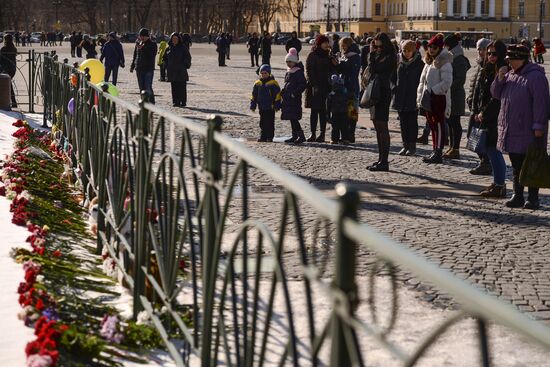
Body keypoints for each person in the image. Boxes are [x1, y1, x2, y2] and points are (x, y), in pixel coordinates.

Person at [491, 44, 549, 210]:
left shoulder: (536, 77)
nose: (508, 62)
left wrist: (539, 126)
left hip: (529, 130)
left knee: (531, 164)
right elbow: (496, 94)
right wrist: (499, 78)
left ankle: (533, 198)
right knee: (516, 164)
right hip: (512, 129)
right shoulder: (510, 75)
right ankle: (517, 195)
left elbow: (541, 104)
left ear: (520, 59)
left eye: (511, 59)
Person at [475, 40, 508, 198]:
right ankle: (497, 182)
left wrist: (485, 113)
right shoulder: (487, 68)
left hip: (495, 115)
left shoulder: (502, 70)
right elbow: (482, 92)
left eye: (494, 54)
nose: (491, 56)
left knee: (494, 150)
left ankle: (500, 184)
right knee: (489, 149)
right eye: (489, 53)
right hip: (486, 113)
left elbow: (497, 98)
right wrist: (478, 109)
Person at [416, 33, 453, 164]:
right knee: (431, 125)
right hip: (428, 97)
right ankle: (434, 149)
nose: (431, 50)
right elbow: (422, 81)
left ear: (440, 49)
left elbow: (447, 82)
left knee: (439, 124)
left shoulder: (444, 63)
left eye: (434, 48)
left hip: (438, 98)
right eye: (430, 47)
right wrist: (420, 96)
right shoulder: (429, 62)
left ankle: (439, 151)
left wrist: (433, 90)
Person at [365, 33, 397, 171]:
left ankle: (385, 161)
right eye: (375, 46)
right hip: (374, 91)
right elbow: (372, 71)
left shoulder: (390, 57)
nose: (377, 48)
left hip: (383, 92)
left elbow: (379, 70)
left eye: (379, 46)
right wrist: (372, 55)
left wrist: (373, 58)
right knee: (377, 126)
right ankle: (380, 159)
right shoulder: (376, 56)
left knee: (382, 126)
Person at [392, 39, 424, 156]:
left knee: (412, 123)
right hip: (400, 97)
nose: (406, 53)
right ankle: (405, 145)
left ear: (414, 51)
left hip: (413, 97)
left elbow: (422, 81)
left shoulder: (420, 64)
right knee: (403, 123)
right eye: (404, 50)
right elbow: (393, 77)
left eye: (409, 51)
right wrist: (394, 88)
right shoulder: (399, 63)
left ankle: (412, 146)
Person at [467, 38, 493, 175]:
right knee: (472, 136)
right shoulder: (478, 65)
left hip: (482, 110)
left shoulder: (491, 67)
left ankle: (486, 163)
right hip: (474, 107)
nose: (480, 52)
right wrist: (470, 98)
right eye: (478, 49)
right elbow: (473, 86)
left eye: (483, 49)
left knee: (481, 138)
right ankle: (484, 161)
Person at [443, 33, 470, 160]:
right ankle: (452, 147)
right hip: (450, 94)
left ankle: (456, 148)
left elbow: (460, 79)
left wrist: (447, 87)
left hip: (456, 95)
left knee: (455, 123)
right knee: (450, 121)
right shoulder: (451, 56)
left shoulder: (459, 59)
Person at [305, 34, 333, 142]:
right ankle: (312, 134)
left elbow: (332, 70)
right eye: (324, 43)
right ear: (319, 44)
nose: (327, 44)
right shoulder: (312, 55)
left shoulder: (328, 55)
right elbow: (309, 71)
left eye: (327, 42)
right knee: (314, 111)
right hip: (315, 87)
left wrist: (335, 62)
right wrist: (314, 85)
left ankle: (322, 134)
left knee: (323, 112)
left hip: (326, 87)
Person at [337, 37, 361, 143]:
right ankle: (346, 134)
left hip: (351, 88)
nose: (342, 48)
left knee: (352, 113)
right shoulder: (345, 56)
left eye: (344, 45)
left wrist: (342, 64)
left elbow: (353, 73)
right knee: (344, 113)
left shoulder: (355, 57)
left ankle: (351, 134)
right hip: (344, 88)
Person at [281, 48, 307, 144]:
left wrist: (294, 93)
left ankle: (301, 136)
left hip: (294, 98)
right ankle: (294, 135)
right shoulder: (289, 71)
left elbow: (302, 84)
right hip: (288, 98)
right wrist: (283, 91)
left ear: (295, 61)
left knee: (294, 118)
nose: (288, 63)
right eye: (287, 62)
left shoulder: (298, 71)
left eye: (290, 62)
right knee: (291, 118)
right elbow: (287, 83)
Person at [250, 64, 281, 142]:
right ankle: (263, 136)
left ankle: (270, 136)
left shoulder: (273, 83)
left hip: (270, 107)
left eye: (265, 73)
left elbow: (277, 95)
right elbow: (254, 96)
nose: (263, 75)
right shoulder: (257, 83)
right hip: (261, 106)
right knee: (262, 122)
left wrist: (277, 105)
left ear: (269, 73)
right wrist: (253, 105)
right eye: (262, 73)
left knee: (270, 122)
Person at [130, 28, 158, 103]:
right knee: (141, 87)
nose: (142, 38)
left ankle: (151, 103)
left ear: (148, 36)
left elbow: (152, 55)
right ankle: (144, 102)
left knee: (148, 87)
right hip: (139, 68)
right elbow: (135, 56)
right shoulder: (138, 44)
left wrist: (143, 48)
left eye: (144, 36)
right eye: (141, 36)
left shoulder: (153, 44)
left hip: (148, 69)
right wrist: (132, 66)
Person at [164, 32, 192, 108]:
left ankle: (183, 101)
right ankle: (175, 101)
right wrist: (166, 65)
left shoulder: (183, 47)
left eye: (176, 39)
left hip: (181, 70)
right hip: (172, 71)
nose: (175, 40)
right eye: (173, 39)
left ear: (179, 39)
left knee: (182, 87)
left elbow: (188, 57)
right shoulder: (168, 48)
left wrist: (184, 65)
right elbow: (164, 58)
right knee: (174, 87)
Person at [327, 74, 349, 144]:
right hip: (345, 112)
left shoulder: (332, 93)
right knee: (344, 127)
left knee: (335, 127)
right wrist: (352, 114)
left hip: (335, 112)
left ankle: (334, 139)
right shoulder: (346, 91)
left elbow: (328, 104)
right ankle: (345, 139)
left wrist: (328, 114)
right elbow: (351, 102)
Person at [0, 34, 18, 107]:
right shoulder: (14, 48)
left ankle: (11, 102)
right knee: (8, 84)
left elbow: (1, 59)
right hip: (13, 69)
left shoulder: (3, 48)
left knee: (7, 83)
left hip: (5, 69)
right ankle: (13, 102)